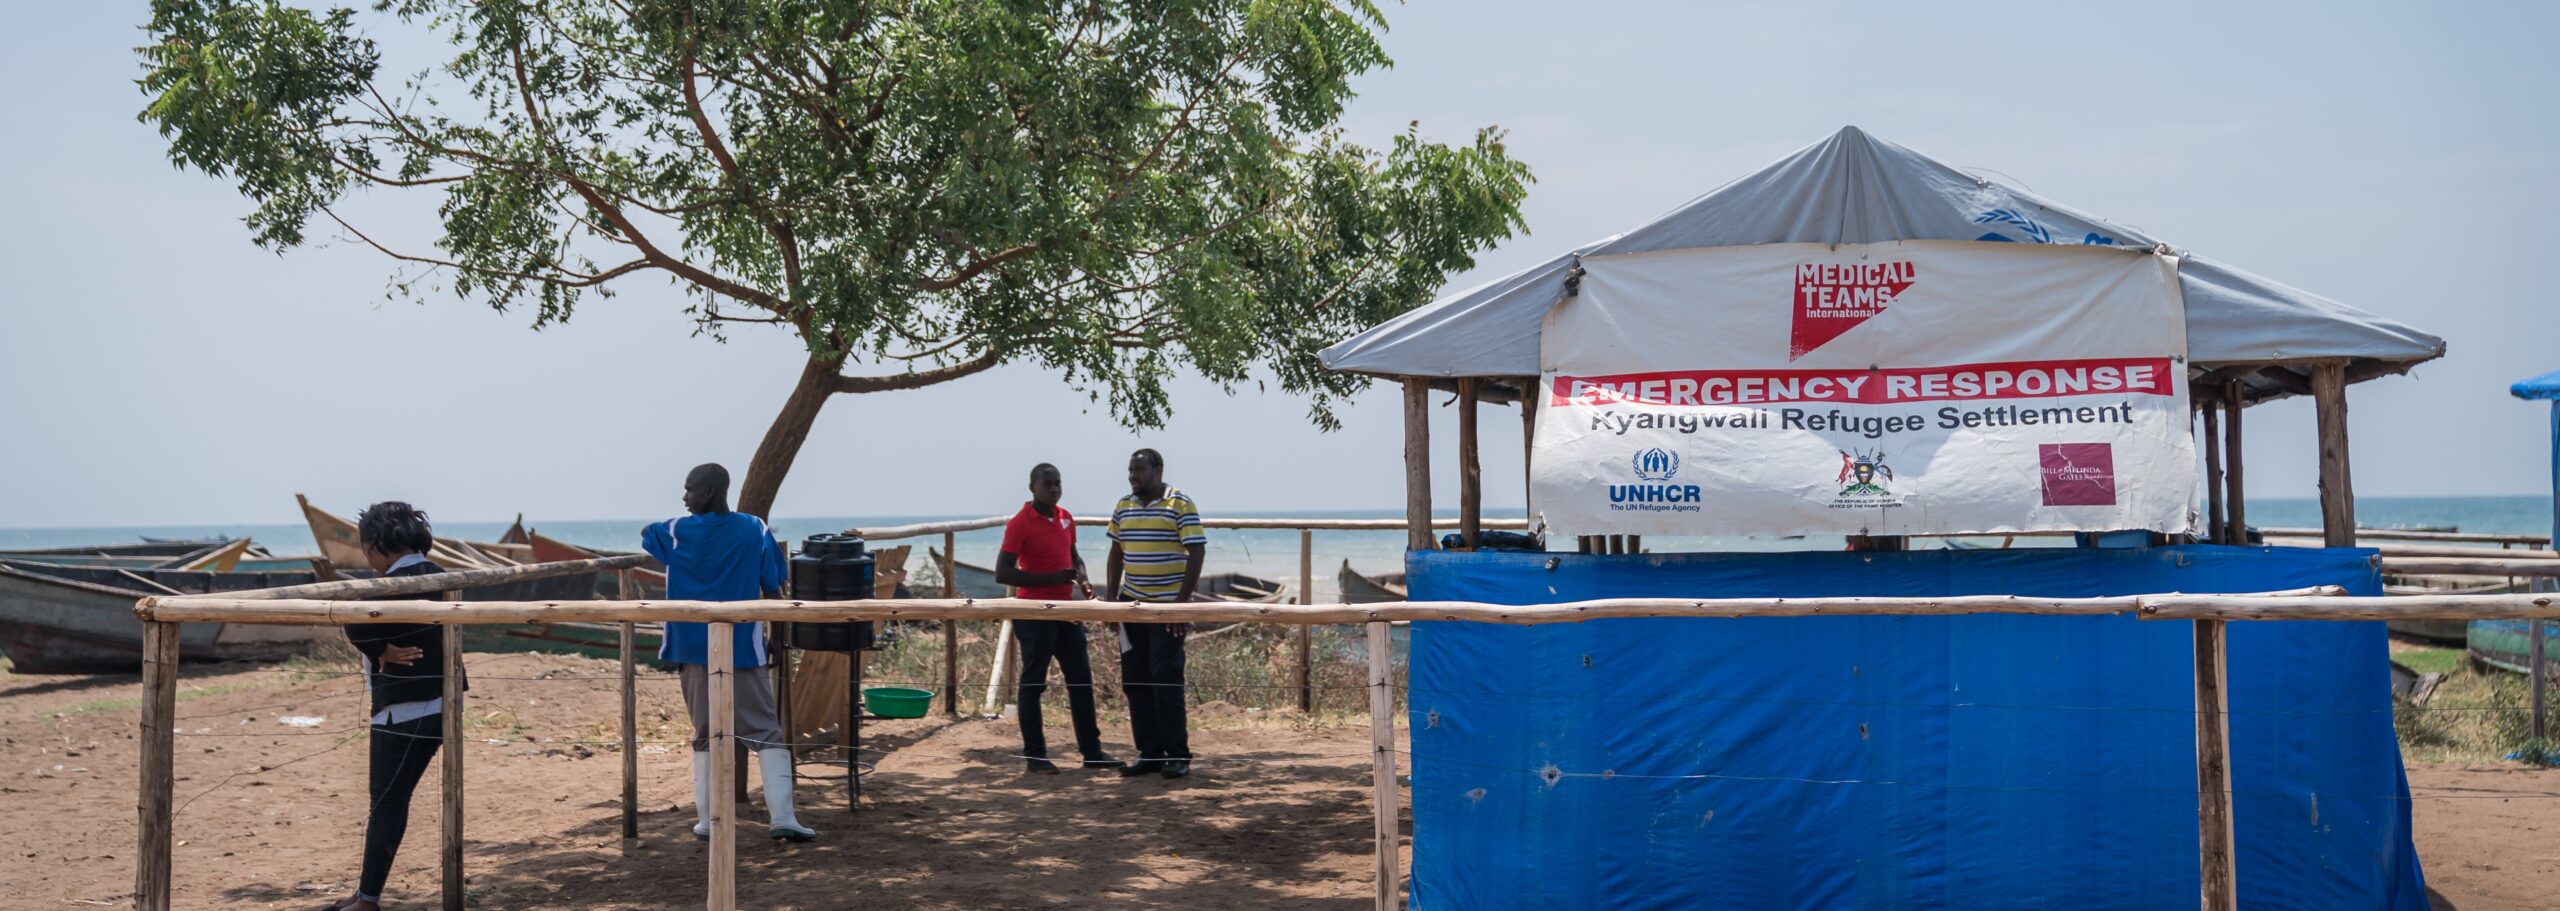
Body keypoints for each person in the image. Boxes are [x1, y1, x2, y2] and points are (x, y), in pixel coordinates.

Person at [640, 463, 816, 841]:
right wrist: (778, 636)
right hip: (743, 645)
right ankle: (783, 817)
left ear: (708, 492)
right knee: (766, 731)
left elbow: (646, 534)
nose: (684, 498)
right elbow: (773, 588)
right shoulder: (754, 529)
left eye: (689, 490)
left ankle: (708, 820)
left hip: (692, 646)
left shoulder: (675, 531)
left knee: (705, 733)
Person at [327, 501, 457, 911]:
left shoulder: (386, 586)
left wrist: (381, 648)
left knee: (386, 804)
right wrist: (383, 647)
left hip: (403, 709)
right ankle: (366, 894)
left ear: (375, 547)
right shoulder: (444, 578)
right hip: (447, 704)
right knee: (395, 801)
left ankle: (367, 899)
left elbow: (351, 618)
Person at [994, 463, 1122, 774]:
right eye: (1047, 484)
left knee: (1080, 680)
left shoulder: (1066, 518)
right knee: (1033, 683)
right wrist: (1052, 577)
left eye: (1057, 483)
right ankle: (1035, 756)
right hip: (1034, 613)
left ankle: (1091, 752)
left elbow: (1073, 557)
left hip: (1067, 612)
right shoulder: (1019, 524)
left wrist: (1083, 579)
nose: (1054, 489)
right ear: (1032, 487)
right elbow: (1003, 572)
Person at [1104, 448, 1207, 779]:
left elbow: (1196, 552)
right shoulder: (1123, 506)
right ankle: (1149, 753)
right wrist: (1111, 600)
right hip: (1132, 607)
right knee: (1135, 683)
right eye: (1130, 470)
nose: (1134, 476)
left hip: (1166, 609)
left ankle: (1178, 755)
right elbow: (1116, 552)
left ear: (1158, 470)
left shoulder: (1180, 503)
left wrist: (1179, 605)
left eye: (1140, 470)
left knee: (1167, 681)